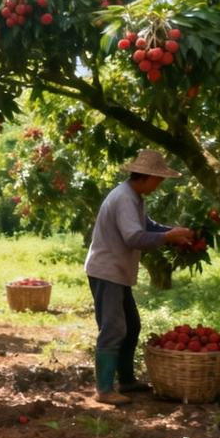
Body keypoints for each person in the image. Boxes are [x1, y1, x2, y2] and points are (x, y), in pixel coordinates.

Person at [85, 149, 195, 407]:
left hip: (118, 271)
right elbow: (134, 237)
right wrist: (168, 237)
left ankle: (126, 380)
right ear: (145, 177)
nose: (160, 184)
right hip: (107, 271)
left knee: (131, 325)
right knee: (113, 328)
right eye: (159, 179)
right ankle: (103, 389)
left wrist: (173, 232)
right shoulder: (124, 198)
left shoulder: (135, 197)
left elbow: (147, 226)